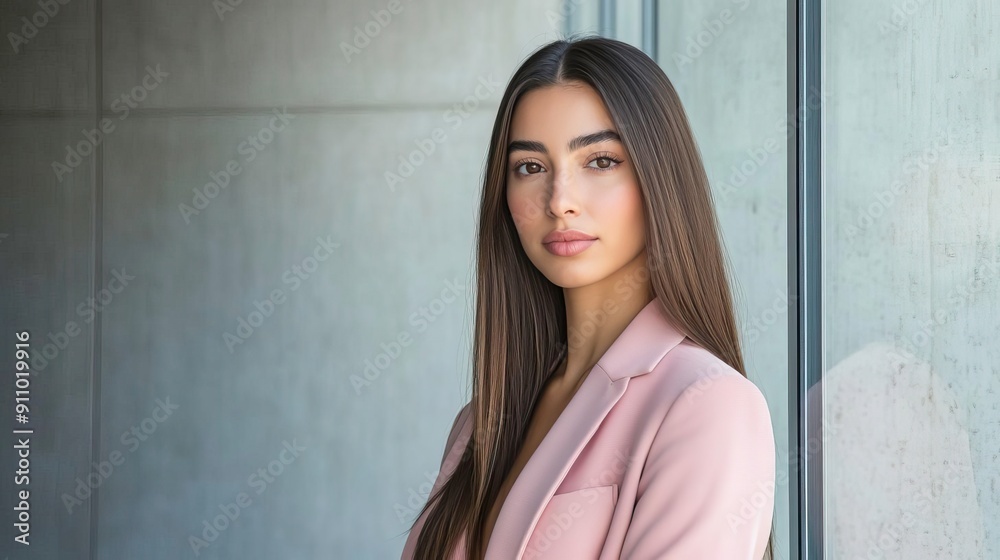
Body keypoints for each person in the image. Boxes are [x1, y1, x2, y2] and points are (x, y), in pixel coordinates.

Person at [399, 35, 777, 560]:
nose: (559, 201)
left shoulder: (708, 404)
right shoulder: (480, 422)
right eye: (530, 167)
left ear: (659, 176)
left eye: (600, 160)